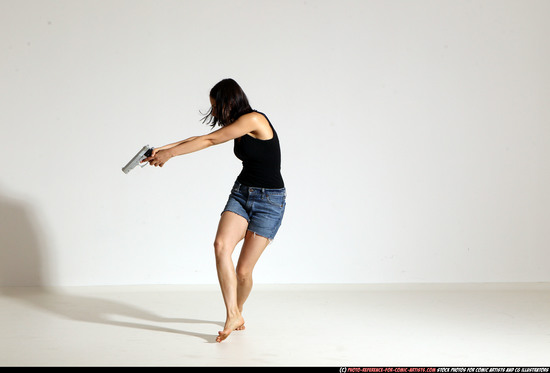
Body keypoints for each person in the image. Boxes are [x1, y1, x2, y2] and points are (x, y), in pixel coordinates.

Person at [143, 78, 286, 342]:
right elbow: (201, 138)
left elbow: (210, 140)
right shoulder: (237, 126)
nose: (214, 113)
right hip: (242, 194)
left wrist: (171, 155)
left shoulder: (254, 120)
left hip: (269, 202)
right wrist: (163, 149)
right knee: (221, 246)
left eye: (215, 106)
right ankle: (232, 313)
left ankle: (237, 312)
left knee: (243, 272)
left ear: (228, 101)